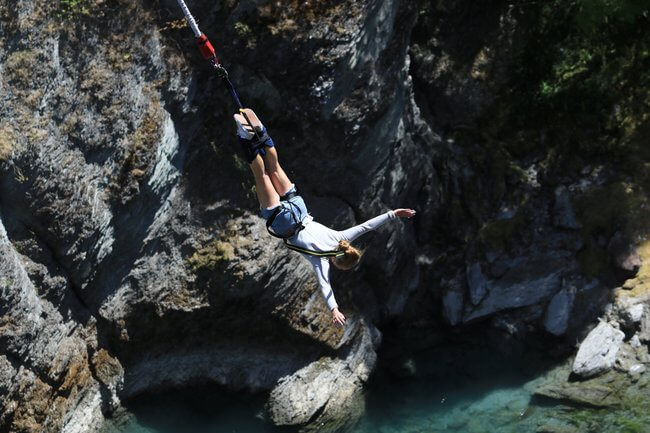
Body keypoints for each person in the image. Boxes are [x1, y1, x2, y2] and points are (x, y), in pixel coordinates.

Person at [234, 108, 416, 326]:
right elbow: (325, 286)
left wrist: (393, 213)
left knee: (274, 167)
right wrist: (334, 309)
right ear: (338, 263)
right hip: (283, 220)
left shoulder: (341, 236)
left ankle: (261, 133)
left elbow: (367, 226)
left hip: (299, 207)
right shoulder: (321, 261)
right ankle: (245, 138)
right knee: (260, 173)